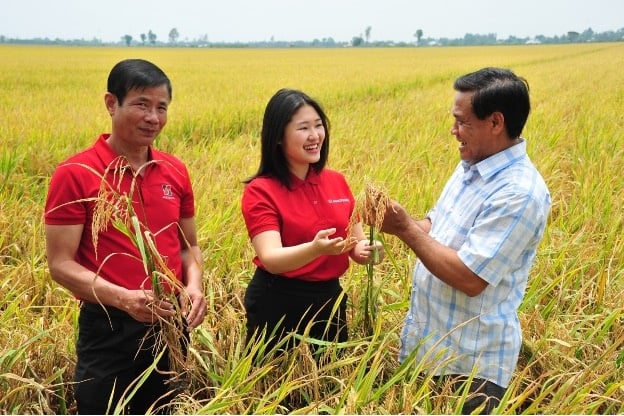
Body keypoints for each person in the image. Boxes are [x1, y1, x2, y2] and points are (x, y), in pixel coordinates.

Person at [366, 67, 551, 414]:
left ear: (495, 122)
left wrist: (405, 228)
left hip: (470, 367)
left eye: (462, 121)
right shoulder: (471, 166)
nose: (454, 131)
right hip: (429, 350)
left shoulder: (519, 193)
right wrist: (397, 222)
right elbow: (435, 226)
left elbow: (470, 277)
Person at [44, 58, 206, 414]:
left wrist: (194, 285)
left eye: (161, 107)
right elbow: (60, 265)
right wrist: (124, 299)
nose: (153, 117)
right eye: (142, 105)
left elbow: (187, 245)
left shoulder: (175, 171)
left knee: (164, 408)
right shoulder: (77, 173)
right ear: (111, 103)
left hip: (170, 323)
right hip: (108, 326)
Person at [241, 88, 384, 361]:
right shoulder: (261, 190)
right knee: (274, 389)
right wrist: (316, 249)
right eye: (303, 128)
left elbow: (355, 243)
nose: (315, 135)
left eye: (318, 126)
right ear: (279, 137)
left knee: (327, 382)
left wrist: (367, 249)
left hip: (328, 299)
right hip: (278, 300)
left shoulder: (337, 181)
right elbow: (270, 258)